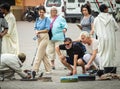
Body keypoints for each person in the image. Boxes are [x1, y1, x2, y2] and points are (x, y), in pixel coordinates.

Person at [93, 4, 119, 69]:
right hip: (111, 38)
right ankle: (110, 67)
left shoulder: (97, 19)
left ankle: (102, 67)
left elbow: (95, 29)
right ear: (105, 9)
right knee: (110, 53)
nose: (108, 9)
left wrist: (100, 33)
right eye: (107, 8)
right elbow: (116, 27)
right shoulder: (111, 18)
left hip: (101, 38)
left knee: (102, 53)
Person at [32, 6, 51, 74]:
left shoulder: (47, 19)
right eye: (40, 12)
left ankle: (35, 69)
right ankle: (49, 69)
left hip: (45, 37)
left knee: (39, 53)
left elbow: (47, 30)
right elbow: (35, 28)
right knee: (43, 54)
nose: (41, 13)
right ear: (38, 12)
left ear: (44, 12)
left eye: (42, 12)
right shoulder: (37, 19)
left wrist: (39, 31)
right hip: (39, 37)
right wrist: (37, 32)